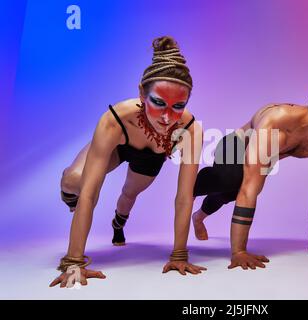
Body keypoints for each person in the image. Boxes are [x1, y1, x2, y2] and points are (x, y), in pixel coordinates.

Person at [50, 36, 205, 288]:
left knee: (129, 194)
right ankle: (70, 200)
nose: (167, 117)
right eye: (158, 102)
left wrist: (179, 255)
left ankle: (118, 223)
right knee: (76, 182)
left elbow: (185, 197)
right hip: (117, 145)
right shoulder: (115, 118)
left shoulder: (189, 129)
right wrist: (74, 262)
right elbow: (90, 193)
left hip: (151, 155)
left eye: (178, 106)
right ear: (142, 93)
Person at [192, 74, 308, 270]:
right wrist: (239, 252)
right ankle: (189, 188)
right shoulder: (277, 123)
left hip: (266, 155)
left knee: (229, 193)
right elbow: (249, 187)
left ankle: (199, 217)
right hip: (236, 146)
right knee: (234, 182)